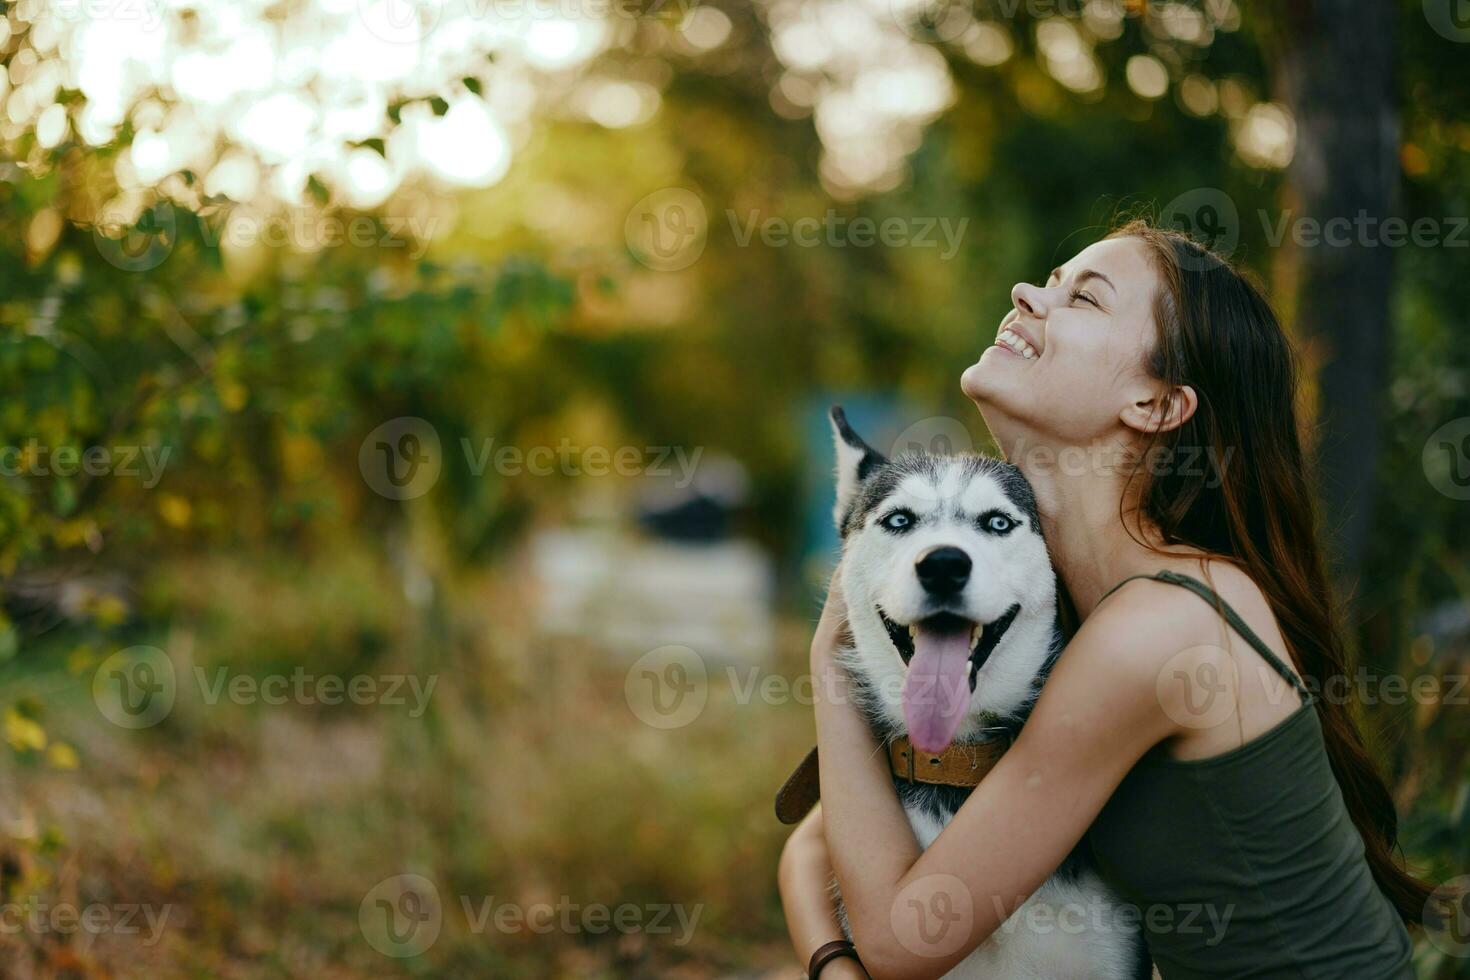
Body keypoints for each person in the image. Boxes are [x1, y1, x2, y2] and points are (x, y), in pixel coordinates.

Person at [777, 221, 1424, 979]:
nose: (1027, 295)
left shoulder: (1152, 630)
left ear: (1155, 404)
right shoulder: (1052, 607)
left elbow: (899, 940)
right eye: (1048, 280)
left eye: (1082, 296)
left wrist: (831, 653)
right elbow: (817, 842)